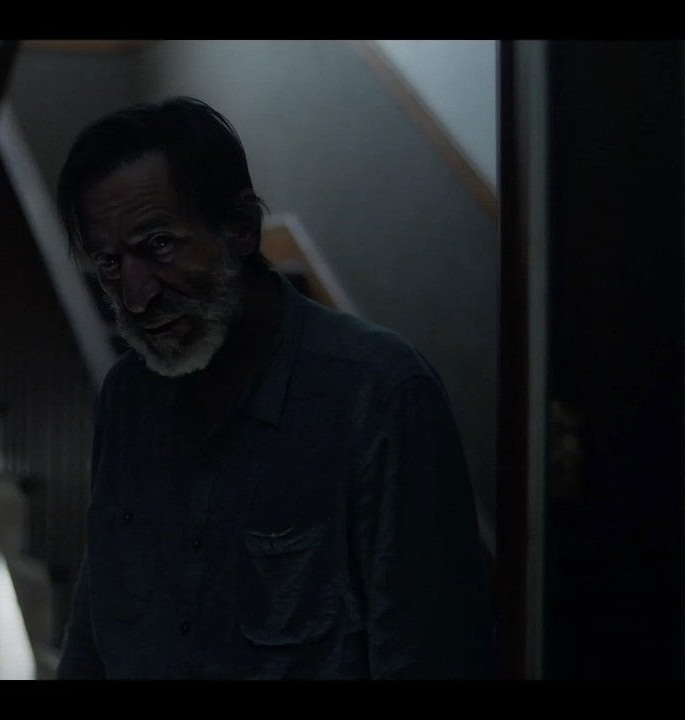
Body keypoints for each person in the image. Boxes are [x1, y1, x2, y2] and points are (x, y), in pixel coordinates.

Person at [53, 97, 495, 679]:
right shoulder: (126, 396)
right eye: (109, 264)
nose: (135, 298)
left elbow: (428, 657)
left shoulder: (379, 394)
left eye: (159, 245)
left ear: (240, 228)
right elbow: (94, 618)